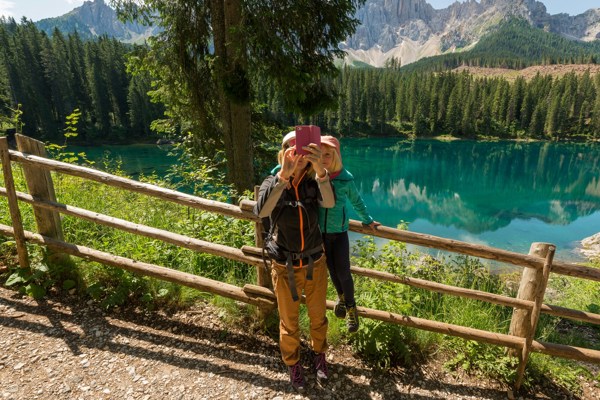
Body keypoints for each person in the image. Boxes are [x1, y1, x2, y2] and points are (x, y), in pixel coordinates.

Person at [254, 131, 335, 392]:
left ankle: (318, 355)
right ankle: (293, 363)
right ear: (283, 153)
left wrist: (320, 170)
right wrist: (283, 177)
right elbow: (262, 211)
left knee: (318, 317)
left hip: (315, 263)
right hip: (284, 265)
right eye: (293, 149)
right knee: (289, 322)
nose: (299, 155)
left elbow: (330, 203)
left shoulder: (314, 182)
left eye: (305, 150)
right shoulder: (272, 181)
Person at [319, 135, 380, 333]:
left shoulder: (345, 178)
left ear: (336, 155)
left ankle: (352, 308)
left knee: (343, 271)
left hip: (339, 233)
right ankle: (341, 298)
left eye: (328, 154)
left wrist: (368, 220)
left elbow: (357, 201)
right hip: (321, 234)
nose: (324, 158)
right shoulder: (314, 176)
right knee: (331, 270)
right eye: (320, 154)